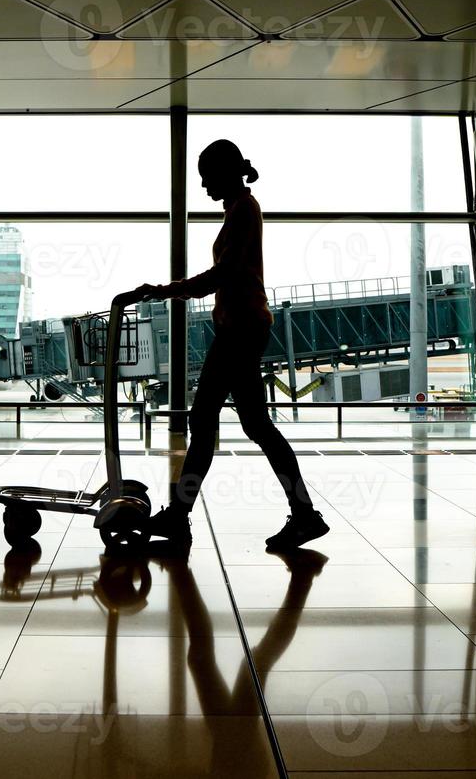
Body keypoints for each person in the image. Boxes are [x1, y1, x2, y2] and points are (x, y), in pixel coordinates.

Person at [113, 139, 329, 552]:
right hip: (243, 328)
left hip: (240, 331)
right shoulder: (240, 210)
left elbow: (222, 274)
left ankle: (179, 517)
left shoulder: (244, 211)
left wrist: (160, 291)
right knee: (253, 425)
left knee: (206, 421)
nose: (203, 185)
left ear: (224, 173)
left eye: (206, 177)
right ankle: (303, 515)